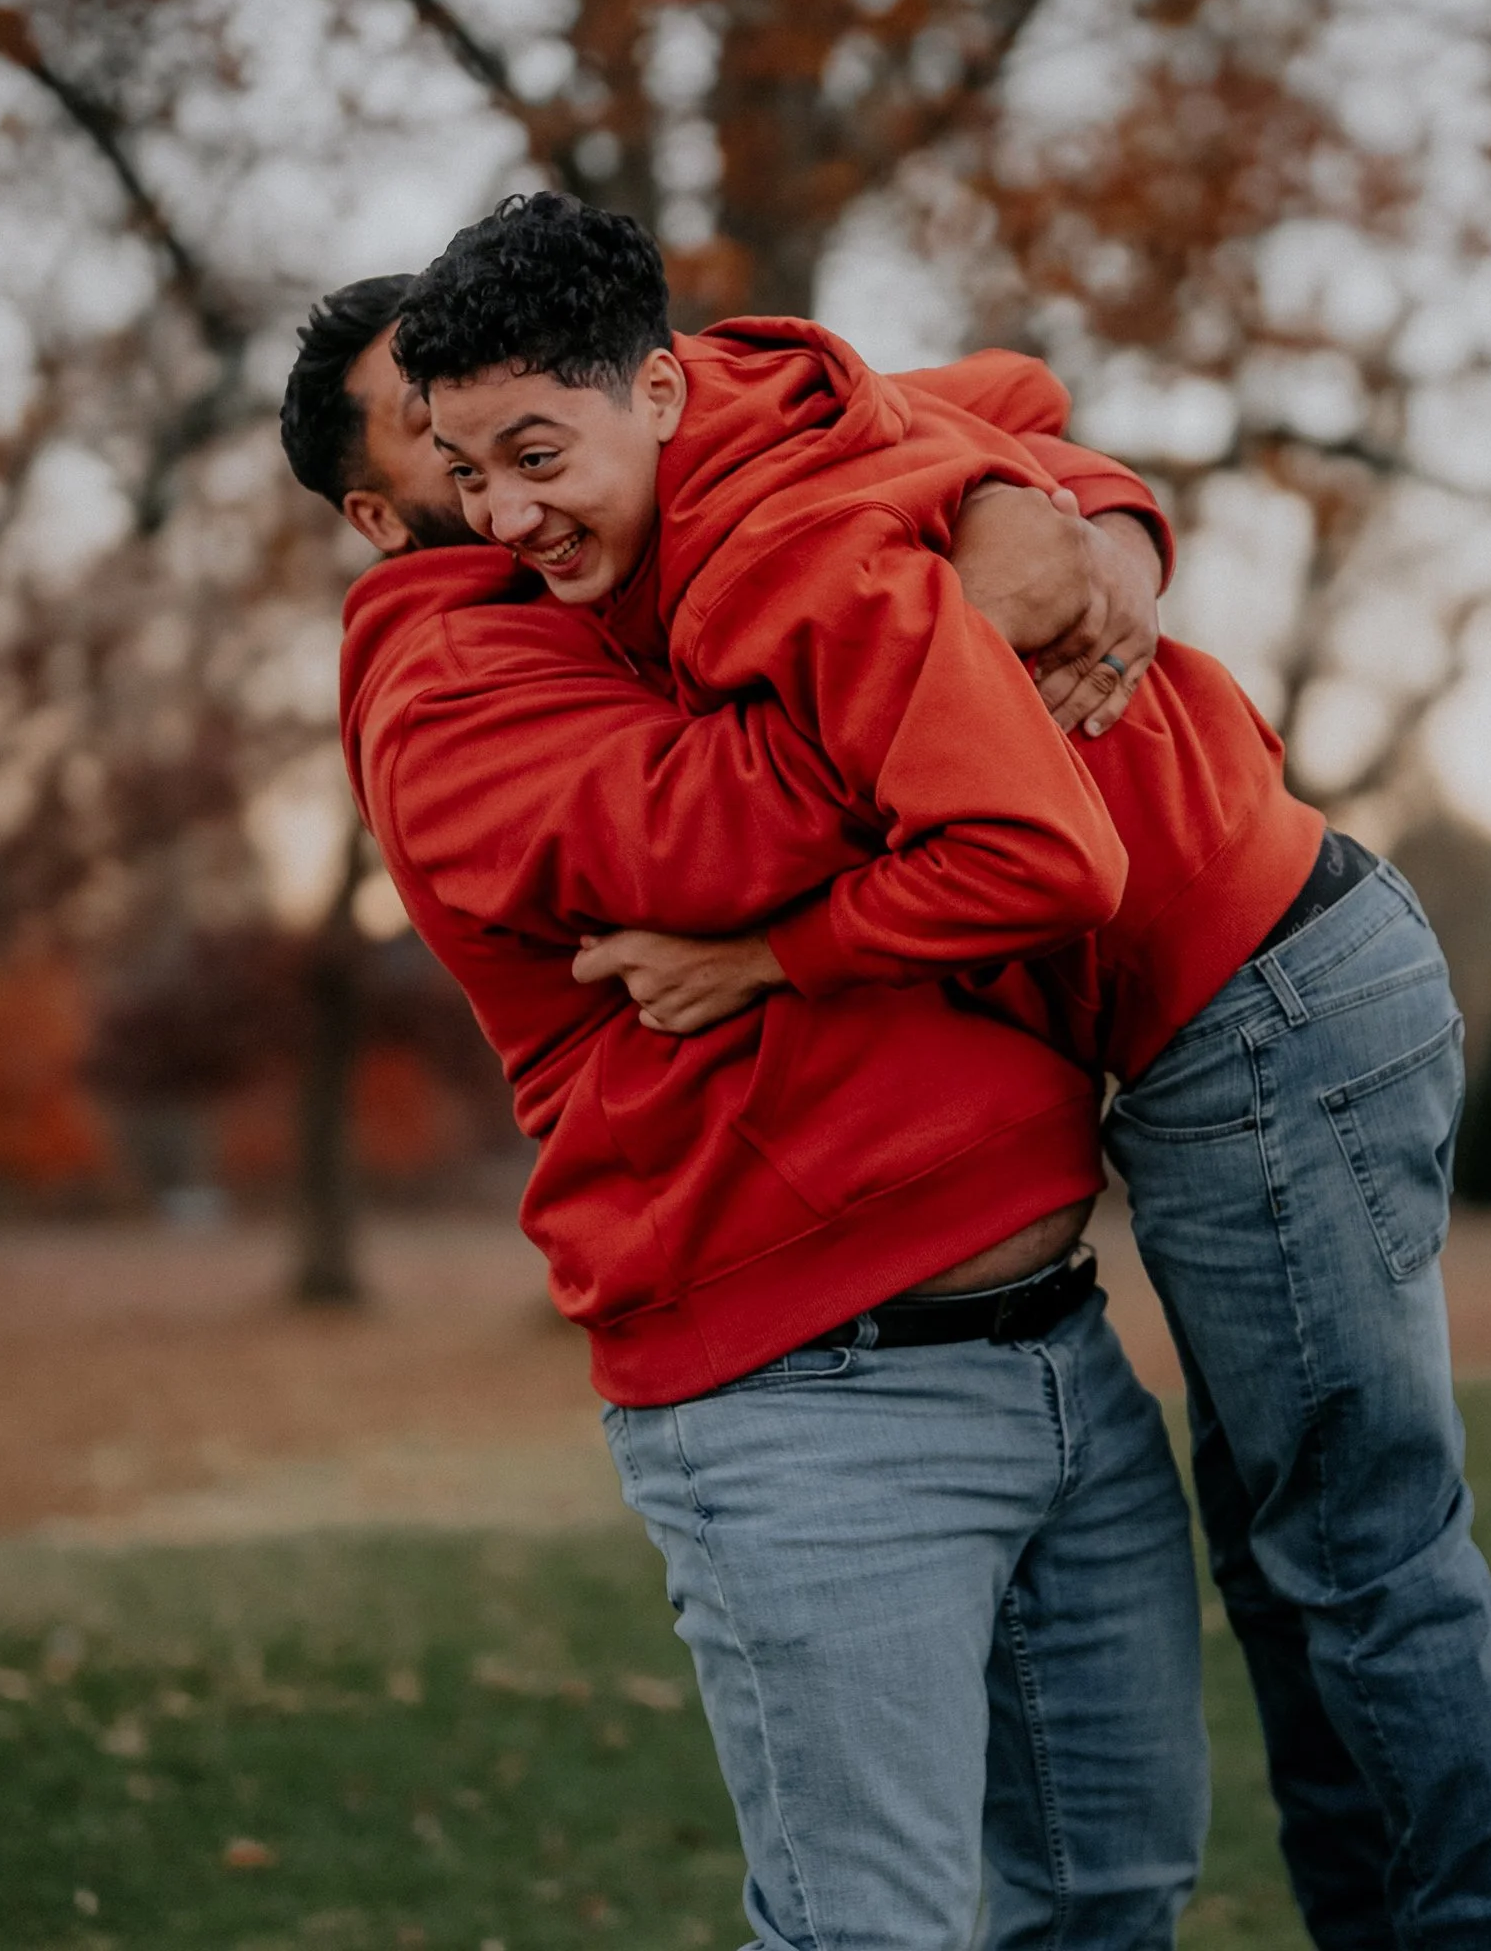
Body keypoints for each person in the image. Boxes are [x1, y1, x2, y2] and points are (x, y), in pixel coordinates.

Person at [386, 192, 1491, 1950]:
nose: (495, 517)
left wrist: (769, 954)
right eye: (461, 471)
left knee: (1360, 1560)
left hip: (1252, 1000)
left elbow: (1042, 860)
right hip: (1252, 976)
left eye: (533, 455)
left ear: (655, 390)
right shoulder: (766, 404)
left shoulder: (771, 552)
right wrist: (1088, 508)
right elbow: (1012, 384)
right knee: (1295, 1564)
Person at [284, 271, 1208, 1950]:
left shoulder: (658, 562)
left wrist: (1087, 534)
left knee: (1113, 1898)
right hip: (811, 1403)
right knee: (875, 1933)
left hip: (1062, 1353)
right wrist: (943, 636)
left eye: (514, 420)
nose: (496, 471)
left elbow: (1002, 397)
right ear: (378, 510)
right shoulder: (442, 694)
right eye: (441, 437)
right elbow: (720, 820)